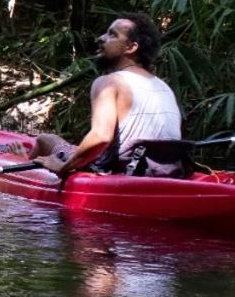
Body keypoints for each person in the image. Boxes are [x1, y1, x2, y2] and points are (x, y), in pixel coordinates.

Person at [19, 13, 182, 177]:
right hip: (165, 172)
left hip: (123, 173)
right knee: (70, 147)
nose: (101, 38)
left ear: (131, 47)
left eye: (112, 34)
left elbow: (101, 137)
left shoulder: (109, 82)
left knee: (45, 140)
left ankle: (20, 166)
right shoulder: (164, 87)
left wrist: (63, 166)